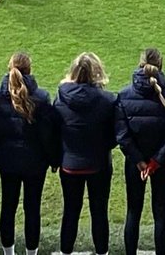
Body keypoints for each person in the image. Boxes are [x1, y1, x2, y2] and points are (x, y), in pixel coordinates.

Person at [0, 52, 60, 255]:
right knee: (32, 208)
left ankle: (8, 253)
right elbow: (48, 134)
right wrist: (53, 159)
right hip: (35, 163)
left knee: (8, 206)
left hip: (7, 161)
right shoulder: (42, 97)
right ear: (30, 69)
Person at [116, 49, 165, 255]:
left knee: (133, 212)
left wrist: (139, 161)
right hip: (162, 163)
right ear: (160, 66)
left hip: (135, 163)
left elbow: (122, 135)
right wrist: (157, 161)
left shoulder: (124, 95)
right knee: (160, 212)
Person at [55, 53, 117, 255]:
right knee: (99, 212)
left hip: (70, 164)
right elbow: (114, 135)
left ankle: (65, 252)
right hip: (98, 164)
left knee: (70, 212)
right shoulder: (108, 100)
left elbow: (55, 131)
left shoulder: (60, 99)